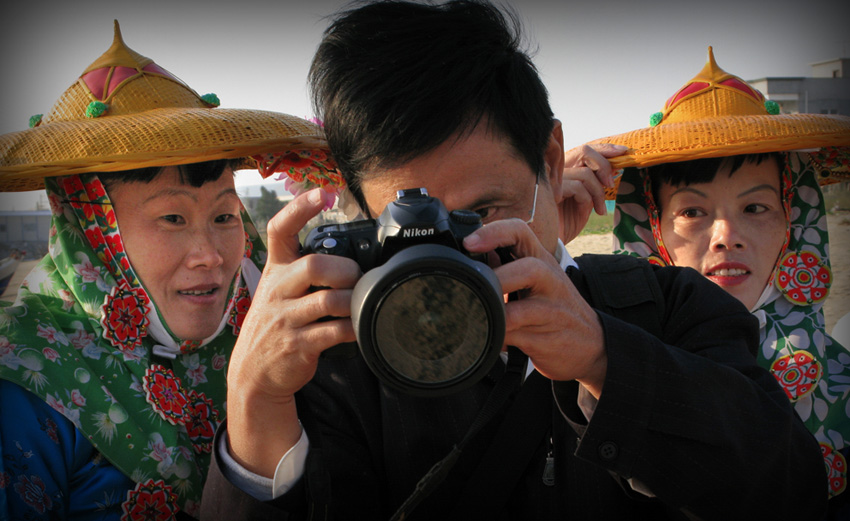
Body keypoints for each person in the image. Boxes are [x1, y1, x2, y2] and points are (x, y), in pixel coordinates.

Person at [201, 2, 827, 519]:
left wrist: (606, 360)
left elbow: (793, 491)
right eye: (415, 229)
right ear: (363, 213)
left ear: (550, 161)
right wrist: (253, 402)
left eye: (483, 211)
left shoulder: (670, 308)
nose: (454, 250)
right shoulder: (336, 360)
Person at [0, 21, 336, 520]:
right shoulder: (26, 380)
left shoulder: (280, 330)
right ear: (95, 232)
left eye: (224, 216)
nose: (210, 255)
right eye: (172, 218)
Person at [579, 47, 850, 516]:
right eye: (692, 211)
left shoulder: (844, 376)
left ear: (792, 218)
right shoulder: (586, 368)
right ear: (652, 226)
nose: (726, 237)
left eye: (755, 208)